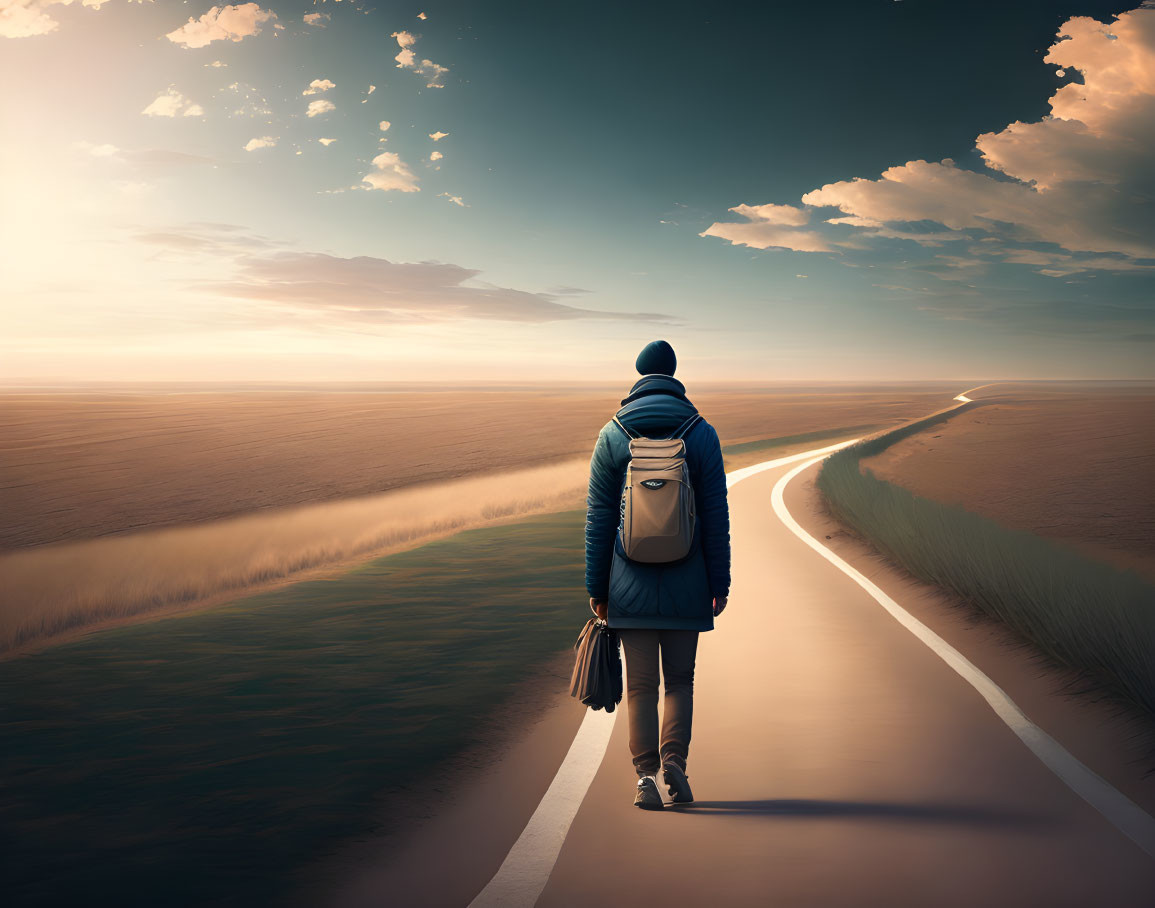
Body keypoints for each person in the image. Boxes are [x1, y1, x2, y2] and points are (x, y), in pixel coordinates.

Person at [584, 340, 731, 810]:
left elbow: (599, 518)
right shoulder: (701, 432)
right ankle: (675, 765)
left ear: (638, 376)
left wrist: (597, 588)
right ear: (674, 375)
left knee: (641, 687)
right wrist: (719, 583)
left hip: (628, 584)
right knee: (680, 682)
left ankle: (644, 779)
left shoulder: (612, 434)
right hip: (689, 583)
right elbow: (716, 514)